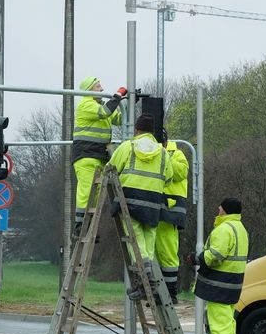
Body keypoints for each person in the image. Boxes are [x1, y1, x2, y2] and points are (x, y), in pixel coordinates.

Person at [191, 197, 250, 334]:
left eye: (219, 209)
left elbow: (215, 256)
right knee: (227, 324)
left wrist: (197, 258)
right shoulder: (241, 229)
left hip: (219, 286)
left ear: (225, 210)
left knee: (219, 326)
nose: (218, 212)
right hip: (233, 285)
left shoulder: (224, 229)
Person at [109, 114, 172, 266]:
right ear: (152, 133)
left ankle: (143, 267)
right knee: (150, 235)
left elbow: (110, 169)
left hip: (131, 200)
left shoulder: (128, 147)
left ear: (136, 130)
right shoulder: (163, 152)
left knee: (134, 235)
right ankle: (147, 268)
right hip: (154, 202)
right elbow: (169, 178)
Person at [72, 76, 126, 236]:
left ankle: (88, 226)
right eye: (98, 86)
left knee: (95, 193)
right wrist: (117, 96)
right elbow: (105, 113)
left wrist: (128, 104)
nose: (102, 89)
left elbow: (118, 119)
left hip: (98, 155)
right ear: (89, 89)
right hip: (86, 154)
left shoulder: (100, 105)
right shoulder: (86, 104)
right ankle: (80, 227)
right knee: (87, 190)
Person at [156, 139, 189, 303]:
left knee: (168, 252)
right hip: (153, 207)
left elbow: (180, 172)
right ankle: (156, 289)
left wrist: (162, 156)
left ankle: (170, 292)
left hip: (169, 211)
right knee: (150, 252)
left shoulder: (177, 154)